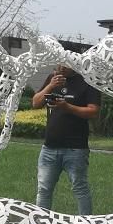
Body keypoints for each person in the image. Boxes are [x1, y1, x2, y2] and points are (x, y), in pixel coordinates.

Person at [32, 65, 101, 215]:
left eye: (64, 64)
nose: (60, 68)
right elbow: (36, 103)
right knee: (44, 189)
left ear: (73, 63)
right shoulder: (52, 79)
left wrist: (67, 107)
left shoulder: (87, 81)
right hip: (49, 148)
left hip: (75, 149)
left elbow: (93, 111)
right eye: (58, 64)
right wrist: (51, 86)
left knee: (80, 188)